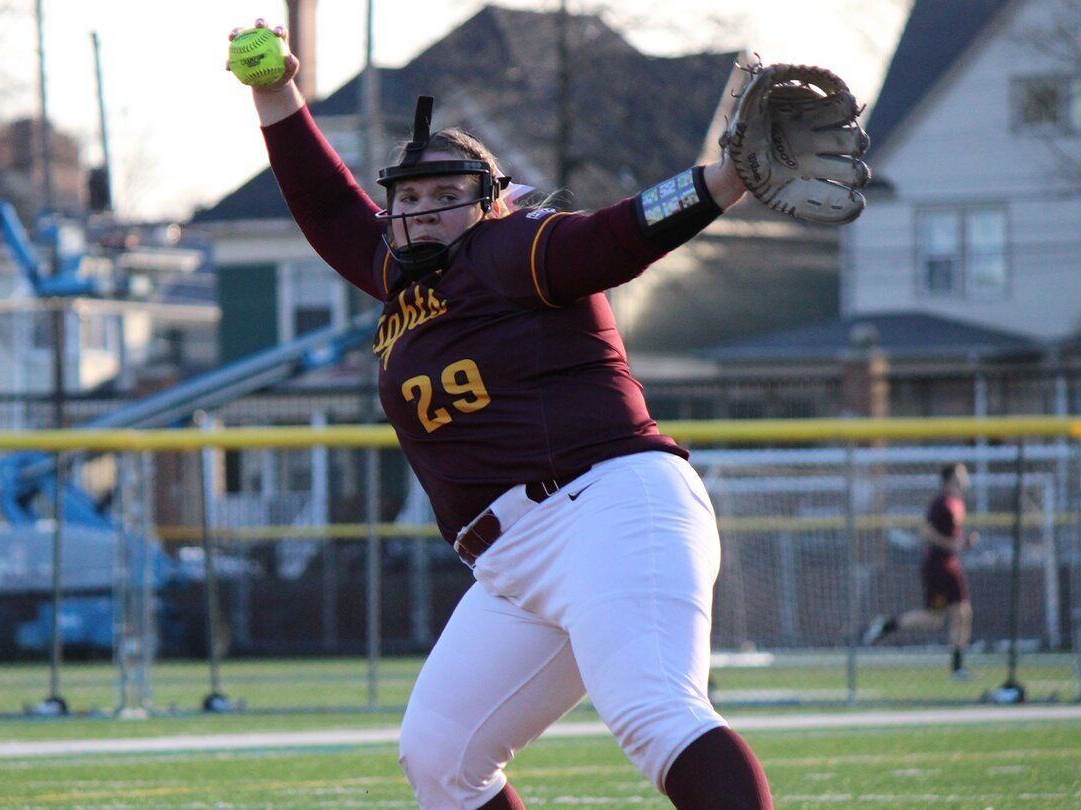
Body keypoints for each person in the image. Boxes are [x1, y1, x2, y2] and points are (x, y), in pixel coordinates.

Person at [230, 21, 773, 809]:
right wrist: (273, 90)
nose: (422, 210)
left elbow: (615, 237)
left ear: (489, 203)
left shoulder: (509, 248)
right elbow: (322, 201)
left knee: (656, 712)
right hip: (510, 563)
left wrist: (719, 180)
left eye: (447, 196)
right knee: (441, 757)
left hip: (607, 511)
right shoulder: (398, 280)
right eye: (408, 197)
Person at [862, 462, 979, 679]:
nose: (965, 477)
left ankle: (888, 625)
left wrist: (963, 543)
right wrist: (953, 545)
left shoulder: (957, 502)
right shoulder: (942, 501)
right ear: (951, 477)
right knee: (952, 614)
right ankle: (957, 668)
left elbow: (952, 537)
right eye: (961, 473)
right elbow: (927, 532)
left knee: (945, 616)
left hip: (950, 563)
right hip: (938, 565)